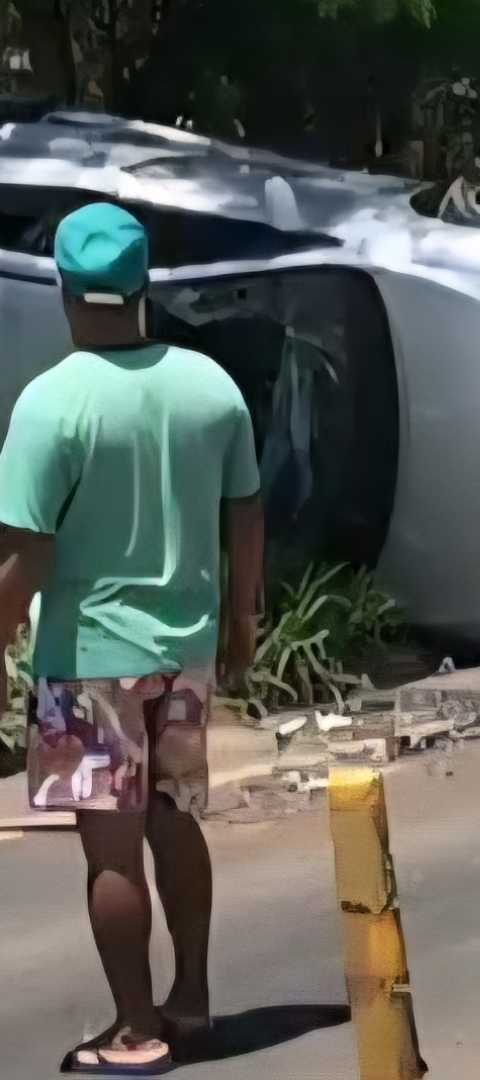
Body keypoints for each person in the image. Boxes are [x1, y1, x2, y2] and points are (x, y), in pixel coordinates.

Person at [0, 202, 264, 1074]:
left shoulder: (51, 404)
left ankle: (134, 1029)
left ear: (67, 290)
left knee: (111, 851)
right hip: (185, 652)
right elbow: (246, 513)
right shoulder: (211, 388)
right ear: (145, 284)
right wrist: (241, 622)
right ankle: (191, 1000)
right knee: (174, 820)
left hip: (90, 662)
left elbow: (26, 555)